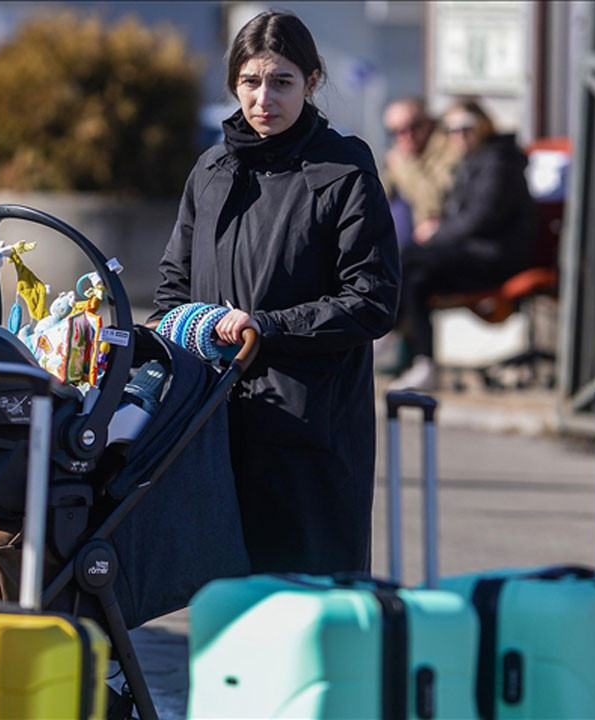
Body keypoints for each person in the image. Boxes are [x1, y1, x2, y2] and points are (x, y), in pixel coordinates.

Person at [151, 10, 401, 575]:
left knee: (307, 603)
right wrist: (179, 338)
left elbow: (373, 298)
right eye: (251, 81)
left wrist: (266, 326)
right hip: (211, 425)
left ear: (312, 82)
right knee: (224, 604)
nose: (264, 98)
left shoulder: (343, 170)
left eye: (282, 81)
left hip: (308, 432)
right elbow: (173, 287)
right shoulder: (211, 170)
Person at [389, 98, 537, 391]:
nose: (458, 134)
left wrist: (435, 237)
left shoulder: (499, 161)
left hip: (496, 256)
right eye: (451, 129)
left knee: (409, 257)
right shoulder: (471, 160)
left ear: (483, 124)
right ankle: (423, 364)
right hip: (472, 252)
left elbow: (479, 219)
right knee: (417, 279)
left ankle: (386, 333)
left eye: (465, 127)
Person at [382, 96, 461, 247]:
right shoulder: (401, 156)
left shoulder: (449, 148)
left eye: (413, 127)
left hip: (446, 236)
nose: (406, 136)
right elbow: (379, 197)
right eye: (396, 132)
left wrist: (404, 167)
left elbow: (435, 204)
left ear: (428, 123)